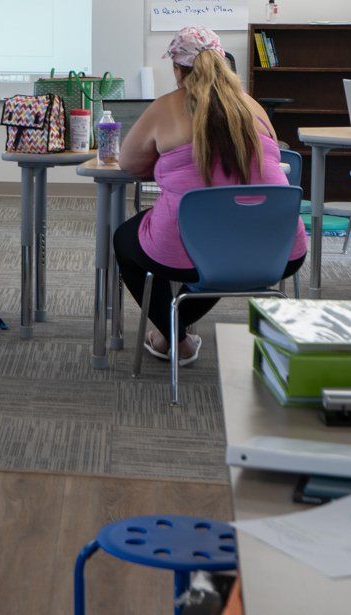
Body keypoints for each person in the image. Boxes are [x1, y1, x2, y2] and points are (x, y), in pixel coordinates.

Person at [115, 27, 308, 366]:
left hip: (200, 245)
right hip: (279, 249)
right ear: (222, 62)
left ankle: (176, 338)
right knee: (219, 247)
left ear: (177, 69)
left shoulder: (166, 107)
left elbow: (129, 163)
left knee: (130, 240)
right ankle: (174, 332)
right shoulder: (254, 108)